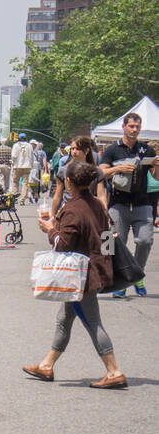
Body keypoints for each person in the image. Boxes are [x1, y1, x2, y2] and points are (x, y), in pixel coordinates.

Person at [23, 161, 126, 389]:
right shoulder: (98, 204)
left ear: (68, 181)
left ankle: (113, 370)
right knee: (64, 319)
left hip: (81, 278)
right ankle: (47, 365)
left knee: (93, 322)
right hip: (94, 270)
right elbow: (107, 236)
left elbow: (62, 245)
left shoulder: (72, 209)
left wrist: (50, 230)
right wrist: (105, 263)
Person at [97, 112, 155, 297]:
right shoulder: (112, 150)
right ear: (124, 127)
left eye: (137, 127)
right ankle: (119, 282)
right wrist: (118, 168)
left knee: (145, 241)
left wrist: (157, 165)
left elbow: (155, 177)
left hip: (142, 204)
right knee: (114, 244)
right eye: (131, 126)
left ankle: (136, 275)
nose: (135, 130)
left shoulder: (147, 150)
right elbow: (100, 173)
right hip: (118, 204)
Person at [51, 136, 104, 215]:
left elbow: (101, 196)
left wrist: (104, 215)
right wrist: (52, 215)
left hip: (89, 210)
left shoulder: (96, 171)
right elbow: (58, 196)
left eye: (78, 149)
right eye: (72, 149)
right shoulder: (63, 171)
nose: (74, 152)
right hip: (69, 211)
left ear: (87, 150)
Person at [11, 133, 34, 204]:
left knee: (15, 182)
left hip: (17, 166)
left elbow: (14, 156)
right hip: (27, 166)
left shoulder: (16, 145)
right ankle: (22, 200)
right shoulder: (29, 146)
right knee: (25, 183)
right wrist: (31, 165)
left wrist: (13, 162)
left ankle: (15, 198)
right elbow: (32, 157)